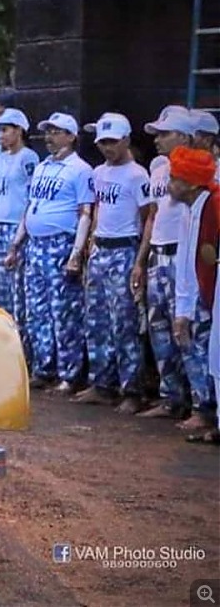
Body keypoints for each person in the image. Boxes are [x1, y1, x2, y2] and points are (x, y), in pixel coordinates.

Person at [10, 112, 95, 394]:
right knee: (37, 310)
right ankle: (44, 368)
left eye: (56, 132)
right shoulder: (43, 166)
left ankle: (69, 373)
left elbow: (85, 213)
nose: (49, 137)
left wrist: (76, 253)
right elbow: (30, 205)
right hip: (35, 243)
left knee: (64, 311)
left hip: (61, 242)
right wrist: (16, 243)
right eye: (48, 132)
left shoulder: (80, 169)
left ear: (71, 136)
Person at [73, 113, 152, 412]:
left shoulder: (137, 175)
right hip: (100, 249)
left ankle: (132, 389)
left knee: (125, 323)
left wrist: (140, 261)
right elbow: (95, 212)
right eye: (102, 142)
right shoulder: (98, 173)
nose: (107, 148)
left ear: (126, 140)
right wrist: (88, 246)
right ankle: (102, 383)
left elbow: (148, 219)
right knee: (96, 320)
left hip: (124, 249)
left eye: (112, 141)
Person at [135, 106, 203, 420]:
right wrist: (141, 260)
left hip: (183, 255)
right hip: (158, 255)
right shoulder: (159, 167)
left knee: (187, 330)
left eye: (165, 134)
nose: (158, 140)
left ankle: (202, 404)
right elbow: (152, 216)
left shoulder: (204, 171)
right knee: (158, 329)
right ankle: (170, 397)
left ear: (186, 137)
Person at [169, 146, 217, 432]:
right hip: (194, 291)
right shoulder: (189, 209)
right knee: (193, 349)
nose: (169, 183)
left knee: (208, 352)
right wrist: (183, 307)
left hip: (209, 292)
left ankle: (209, 411)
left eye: (175, 178)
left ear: (189, 183)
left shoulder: (213, 206)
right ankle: (204, 408)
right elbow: (186, 259)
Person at [0, 108, 39, 362]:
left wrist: (19, 236)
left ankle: (21, 353)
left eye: (6, 129)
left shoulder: (27, 157)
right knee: (0, 292)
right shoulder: (2, 157)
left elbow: (31, 197)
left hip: (14, 225)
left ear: (19, 130)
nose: (1, 134)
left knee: (16, 293)